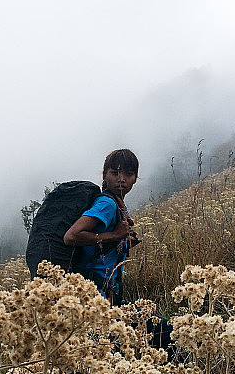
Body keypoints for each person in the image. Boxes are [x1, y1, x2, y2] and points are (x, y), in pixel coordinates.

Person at [64, 149, 173, 349]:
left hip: (105, 302)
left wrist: (119, 242)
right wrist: (113, 236)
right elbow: (71, 236)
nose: (121, 179)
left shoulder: (117, 203)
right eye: (115, 173)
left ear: (135, 179)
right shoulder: (107, 203)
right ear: (104, 175)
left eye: (128, 175)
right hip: (97, 302)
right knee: (169, 335)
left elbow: (99, 245)